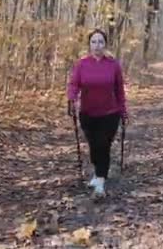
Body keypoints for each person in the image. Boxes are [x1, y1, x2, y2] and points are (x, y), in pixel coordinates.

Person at [67, 28, 128, 197]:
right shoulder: (82, 64)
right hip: (87, 113)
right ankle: (97, 172)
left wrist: (123, 111)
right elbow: (74, 84)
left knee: (104, 145)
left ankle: (101, 181)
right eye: (93, 42)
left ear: (105, 44)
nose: (97, 45)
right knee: (94, 146)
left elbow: (119, 90)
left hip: (110, 113)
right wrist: (71, 98)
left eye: (100, 42)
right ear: (89, 44)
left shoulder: (113, 65)